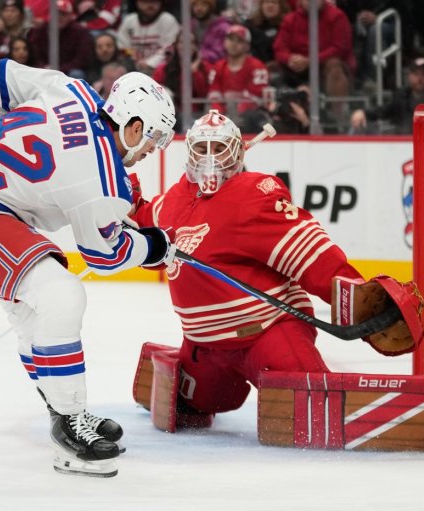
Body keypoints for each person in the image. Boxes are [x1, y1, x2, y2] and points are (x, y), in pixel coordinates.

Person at [0, 58, 177, 477]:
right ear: (132, 126)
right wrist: (151, 248)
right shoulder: (101, 182)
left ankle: (65, 412)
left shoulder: (70, 89)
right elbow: (104, 256)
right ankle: (68, 424)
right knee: (60, 295)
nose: (152, 150)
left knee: (34, 311)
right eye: (154, 137)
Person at [131, 109, 368, 421]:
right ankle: (195, 375)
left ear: (237, 150)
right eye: (202, 148)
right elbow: (144, 238)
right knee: (190, 410)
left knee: (313, 411)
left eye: (219, 147)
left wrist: (361, 299)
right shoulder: (175, 200)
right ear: (189, 151)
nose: (210, 157)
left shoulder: (253, 195)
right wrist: (122, 197)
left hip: (268, 332)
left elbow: (310, 253)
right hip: (207, 348)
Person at [273, 0, 355, 118]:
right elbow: (279, 48)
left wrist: (311, 60)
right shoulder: (290, 19)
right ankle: (276, 114)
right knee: (273, 67)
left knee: (334, 65)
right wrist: (290, 59)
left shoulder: (337, 16)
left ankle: (338, 115)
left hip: (325, 66)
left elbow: (340, 48)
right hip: (298, 67)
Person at [349, 57, 424, 134]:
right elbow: (383, 110)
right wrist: (363, 113)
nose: (420, 78)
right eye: (416, 74)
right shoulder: (401, 97)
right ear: (409, 76)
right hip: (402, 143)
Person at [152, 30, 211, 132]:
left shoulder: (205, 68)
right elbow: (153, 97)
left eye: (191, 42)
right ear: (176, 45)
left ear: (196, 46)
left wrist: (194, 72)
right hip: (171, 118)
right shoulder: (163, 69)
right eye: (182, 42)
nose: (186, 46)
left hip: (199, 117)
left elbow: (204, 95)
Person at [206, 24, 269, 120]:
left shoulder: (258, 67)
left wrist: (234, 117)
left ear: (247, 46)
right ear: (225, 42)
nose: (234, 44)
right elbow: (214, 96)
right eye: (231, 39)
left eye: (239, 41)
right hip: (223, 117)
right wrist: (220, 117)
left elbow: (255, 97)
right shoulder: (218, 67)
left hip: (250, 118)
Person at [27, 0, 95, 79]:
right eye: (56, 14)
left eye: (63, 14)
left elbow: (82, 58)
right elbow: (35, 53)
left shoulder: (80, 32)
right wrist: (44, 67)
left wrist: (60, 69)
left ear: (70, 16)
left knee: (76, 74)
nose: (58, 17)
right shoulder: (40, 30)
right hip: (45, 70)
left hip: (69, 71)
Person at [117, 0, 179, 75]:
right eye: (146, 2)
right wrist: (135, 59)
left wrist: (150, 63)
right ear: (138, 3)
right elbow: (122, 46)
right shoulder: (129, 21)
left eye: (154, 2)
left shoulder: (168, 20)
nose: (150, 5)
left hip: (160, 70)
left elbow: (169, 49)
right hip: (133, 69)